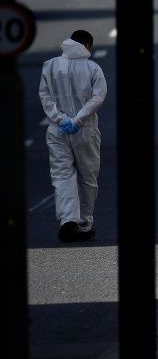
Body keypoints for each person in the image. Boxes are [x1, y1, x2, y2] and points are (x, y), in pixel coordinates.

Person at [39, 30, 107, 243]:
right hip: (85, 130)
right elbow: (97, 98)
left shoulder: (50, 66)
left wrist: (61, 119)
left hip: (57, 131)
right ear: (87, 46)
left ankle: (68, 221)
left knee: (62, 176)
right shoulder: (93, 68)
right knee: (88, 178)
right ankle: (85, 225)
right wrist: (77, 120)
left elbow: (45, 96)